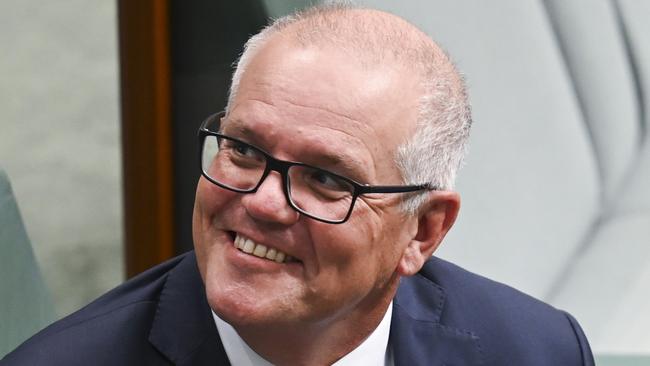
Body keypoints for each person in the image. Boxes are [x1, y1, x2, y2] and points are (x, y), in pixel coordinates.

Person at [2, 4, 594, 366]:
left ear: (423, 230)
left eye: (325, 179)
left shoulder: (535, 352)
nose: (260, 202)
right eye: (242, 149)